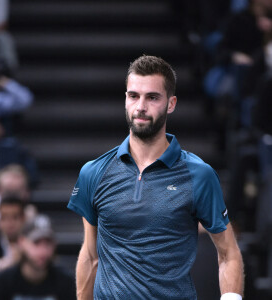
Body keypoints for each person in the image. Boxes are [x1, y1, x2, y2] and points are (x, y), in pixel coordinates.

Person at [67, 55, 244, 299]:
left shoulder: (199, 175)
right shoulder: (94, 172)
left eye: (152, 97)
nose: (140, 106)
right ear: (125, 99)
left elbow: (228, 254)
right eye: (133, 96)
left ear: (171, 104)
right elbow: (89, 256)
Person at [0, 215, 76, 300]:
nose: (43, 251)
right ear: (21, 242)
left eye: (48, 243)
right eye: (36, 243)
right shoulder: (2, 283)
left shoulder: (66, 283)